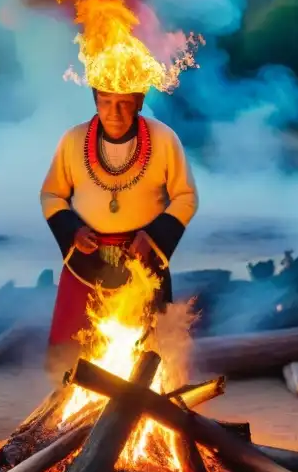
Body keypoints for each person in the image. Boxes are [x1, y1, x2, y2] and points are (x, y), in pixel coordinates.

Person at [40, 84, 198, 370]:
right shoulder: (73, 140)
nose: (114, 112)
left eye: (124, 103)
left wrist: (153, 237)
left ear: (138, 101)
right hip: (84, 265)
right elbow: (52, 194)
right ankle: (75, 408)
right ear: (95, 101)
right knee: (73, 356)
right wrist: (73, 231)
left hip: (144, 263)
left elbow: (186, 197)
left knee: (148, 353)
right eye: (105, 101)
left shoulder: (163, 139)